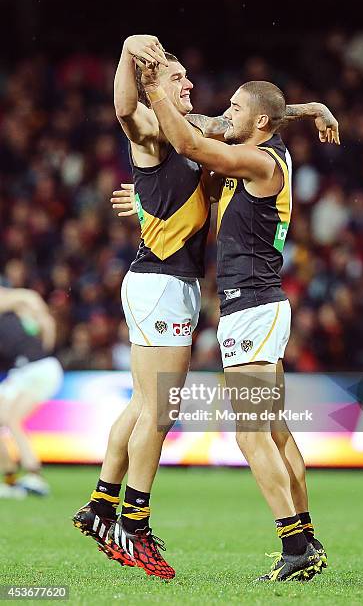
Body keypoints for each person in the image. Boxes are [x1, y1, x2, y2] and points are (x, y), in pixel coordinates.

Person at [73, 34, 339, 581]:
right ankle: (130, 519)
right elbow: (128, 110)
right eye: (179, 78)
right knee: (163, 410)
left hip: (238, 300)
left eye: (236, 108)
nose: (195, 88)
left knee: (177, 410)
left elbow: (212, 142)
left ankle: (104, 505)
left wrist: (298, 110)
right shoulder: (160, 126)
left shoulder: (233, 147)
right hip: (170, 284)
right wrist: (133, 62)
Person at [0, 287, 63, 498]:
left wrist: (44, 350)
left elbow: (45, 321)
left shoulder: (18, 301)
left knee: (13, 420)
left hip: (37, 367)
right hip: (21, 371)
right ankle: (10, 480)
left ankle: (35, 477)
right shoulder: (17, 306)